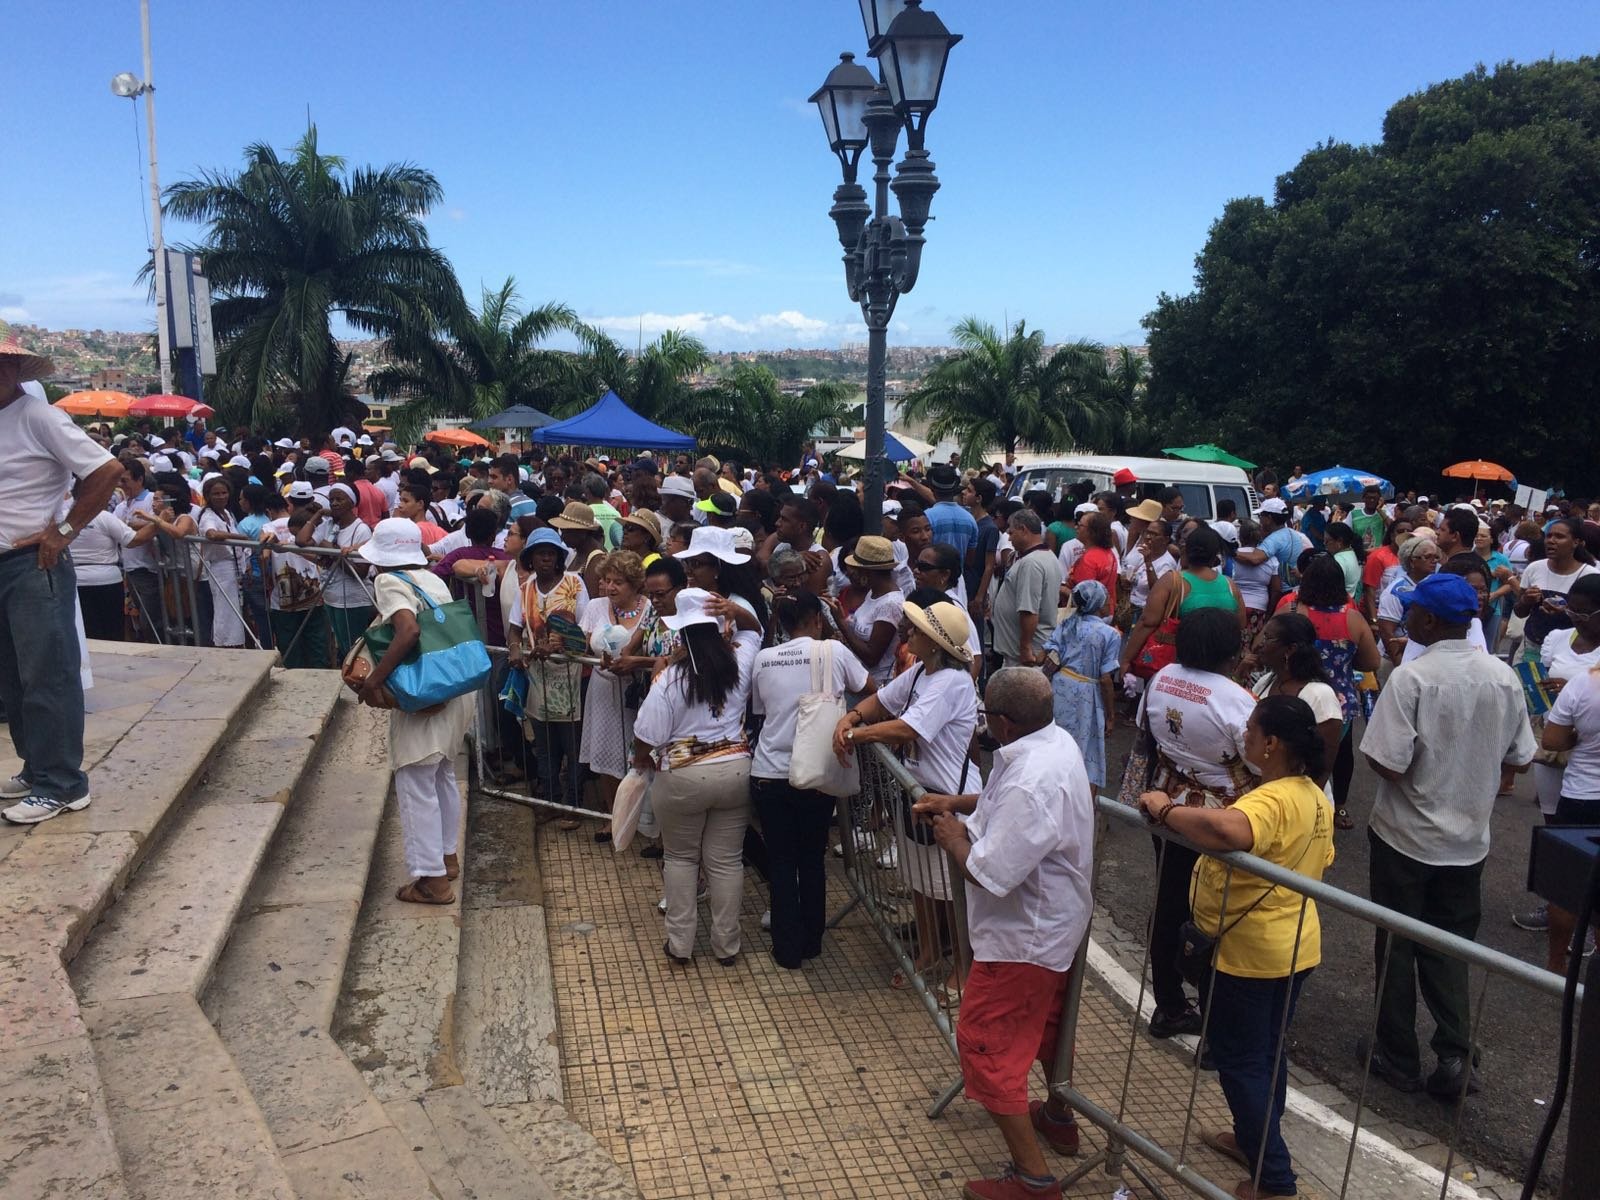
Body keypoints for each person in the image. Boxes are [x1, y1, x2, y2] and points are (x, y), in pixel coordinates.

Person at [1138, 695, 1334, 1200]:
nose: (1242, 738)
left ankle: (1274, 1181)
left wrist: (1167, 809)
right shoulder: (1314, 794)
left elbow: (1227, 829)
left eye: (1249, 732)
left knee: (1240, 1059)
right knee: (1267, 1051)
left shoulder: (1271, 800)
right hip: (1294, 947)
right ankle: (1256, 1142)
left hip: (1250, 956)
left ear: (1270, 744)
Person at [911, 669, 1094, 1200]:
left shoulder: (1033, 776)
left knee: (985, 1043)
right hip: (1049, 926)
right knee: (1048, 1028)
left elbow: (989, 871)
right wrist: (959, 805)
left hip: (1024, 937)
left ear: (1005, 723)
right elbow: (1000, 805)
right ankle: (1057, 1117)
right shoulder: (1050, 743)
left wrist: (950, 836)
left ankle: (1034, 1178)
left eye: (986, 714)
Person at [1360, 574, 1536, 1098]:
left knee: (1396, 943)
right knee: (1451, 946)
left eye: (1413, 611)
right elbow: (1520, 757)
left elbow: (1387, 763)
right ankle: (1457, 1056)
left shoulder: (1412, 678)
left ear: (1430, 621)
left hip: (1405, 837)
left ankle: (1397, 1055)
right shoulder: (1502, 677)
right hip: (1467, 842)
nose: (1408, 617)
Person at [0, 332, 123, 824]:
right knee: (13, 677)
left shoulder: (40, 417)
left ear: (16, 372)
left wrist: (64, 531)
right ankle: (38, 769)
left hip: (33, 564)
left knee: (48, 673)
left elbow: (107, 470)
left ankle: (65, 784)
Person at [833, 600, 978, 994]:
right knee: (920, 881)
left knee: (951, 889)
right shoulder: (920, 673)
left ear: (934, 642)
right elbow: (880, 701)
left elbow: (908, 729)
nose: (907, 633)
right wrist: (853, 717)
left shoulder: (952, 681)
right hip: (916, 791)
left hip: (947, 794)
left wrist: (854, 735)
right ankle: (931, 948)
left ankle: (963, 966)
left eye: (915, 630)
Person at [1135, 607, 1259, 1040]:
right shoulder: (1235, 700)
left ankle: (1169, 1005)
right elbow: (1260, 759)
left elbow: (1146, 740)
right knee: (1216, 916)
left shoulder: (1161, 678)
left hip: (1167, 804)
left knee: (1170, 902)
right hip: (1219, 818)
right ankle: (1213, 1022)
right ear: (1232, 646)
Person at [348, 519, 475, 904]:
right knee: (440, 776)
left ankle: (431, 881)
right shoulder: (430, 578)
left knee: (415, 779)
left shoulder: (388, 581)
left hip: (426, 689)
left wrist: (375, 680)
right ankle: (446, 857)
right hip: (454, 685)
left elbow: (408, 631)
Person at [632, 588, 761, 966]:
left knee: (681, 859)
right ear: (718, 628)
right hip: (737, 771)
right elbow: (754, 632)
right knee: (726, 861)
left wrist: (643, 761)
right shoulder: (740, 662)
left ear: (681, 635)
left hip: (683, 778)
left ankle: (681, 945)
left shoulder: (671, 680)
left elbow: (647, 736)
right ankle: (727, 946)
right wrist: (737, 610)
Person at [750, 590, 871, 969]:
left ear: (783, 625)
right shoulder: (833, 651)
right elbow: (870, 692)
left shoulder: (763, 658)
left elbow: (760, 710)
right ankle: (812, 941)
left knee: (781, 860)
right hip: (817, 771)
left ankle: (786, 949)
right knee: (812, 858)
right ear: (817, 619)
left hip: (769, 771)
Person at [507, 527, 590, 814]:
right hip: (538, 677)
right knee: (543, 743)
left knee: (572, 744)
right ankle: (550, 800)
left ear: (558, 557)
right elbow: (515, 628)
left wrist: (558, 645)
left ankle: (573, 803)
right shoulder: (526, 587)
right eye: (539, 553)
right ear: (530, 558)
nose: (545, 559)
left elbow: (584, 630)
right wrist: (516, 648)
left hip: (570, 677)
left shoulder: (574, 583)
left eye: (550, 553)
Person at [578, 550, 649, 841]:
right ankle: (612, 816)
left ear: (634, 585)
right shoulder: (595, 606)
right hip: (603, 689)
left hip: (639, 693)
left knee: (641, 755)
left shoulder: (649, 609)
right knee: (606, 754)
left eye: (618, 582)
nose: (610, 587)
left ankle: (644, 820)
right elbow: (582, 645)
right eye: (607, 580)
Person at [1540, 653, 1600, 971]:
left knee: (1566, 887)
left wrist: (1577, 738)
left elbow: (1553, 739)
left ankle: (1555, 964)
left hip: (1582, 797)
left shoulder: (1583, 684)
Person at [1122, 526, 1245, 675]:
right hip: (1218, 668)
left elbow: (1147, 622)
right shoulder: (1230, 585)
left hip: (1179, 666)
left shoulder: (1172, 581)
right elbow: (1240, 626)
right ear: (1215, 555)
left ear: (1185, 549)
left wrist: (1127, 659)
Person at [1251, 613, 1344, 803]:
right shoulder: (1265, 683)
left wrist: (1301, 809)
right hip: (1263, 796)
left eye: (1268, 638)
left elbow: (1323, 767)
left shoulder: (1320, 696)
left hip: (1299, 802)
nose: (1260, 644)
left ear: (1290, 649)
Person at [1043, 580, 1120, 789]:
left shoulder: (1066, 624)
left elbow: (1050, 653)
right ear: (1098, 604)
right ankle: (1077, 791)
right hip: (1086, 692)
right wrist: (1110, 715)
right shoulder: (1109, 634)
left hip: (1060, 685)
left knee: (1055, 737)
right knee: (1084, 745)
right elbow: (1105, 679)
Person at [1513, 517, 1597, 665]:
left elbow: (1594, 621)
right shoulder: (1534, 568)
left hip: (1570, 652)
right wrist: (1526, 600)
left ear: (1576, 542)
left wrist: (1566, 611)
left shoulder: (1590, 575)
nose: (1551, 541)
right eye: (1549, 536)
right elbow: (1519, 612)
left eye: (1559, 537)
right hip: (1532, 647)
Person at [827, 535, 904, 685]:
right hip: (858, 678)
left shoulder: (890, 605)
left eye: (855, 569)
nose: (851, 573)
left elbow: (872, 657)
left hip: (875, 684)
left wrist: (841, 622)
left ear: (867, 572)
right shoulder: (873, 592)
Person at [991, 510, 1063, 669]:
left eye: (1011, 532)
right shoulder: (1046, 556)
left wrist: (1025, 647)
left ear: (1023, 530)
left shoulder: (1032, 563)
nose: (1009, 538)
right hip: (1025, 652)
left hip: (1025, 656)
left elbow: (1029, 610)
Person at [195, 476, 248, 647]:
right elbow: (211, 534)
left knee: (235, 607)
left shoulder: (227, 513)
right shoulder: (207, 516)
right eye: (216, 494)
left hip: (235, 566)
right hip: (221, 567)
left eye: (224, 493)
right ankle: (225, 643)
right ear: (208, 496)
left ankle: (236, 642)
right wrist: (238, 538)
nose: (221, 497)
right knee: (225, 609)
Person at [1375, 536, 1441, 665]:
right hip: (1396, 659)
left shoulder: (1434, 584)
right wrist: (1400, 666)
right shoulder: (1395, 591)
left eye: (1436, 557)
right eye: (1428, 557)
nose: (1434, 561)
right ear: (1412, 561)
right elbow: (1387, 631)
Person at [1233, 520, 1282, 645]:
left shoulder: (1232, 556)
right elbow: (1276, 590)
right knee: (1255, 646)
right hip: (1259, 608)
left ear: (1240, 537)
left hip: (1234, 606)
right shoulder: (1271, 559)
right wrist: (1269, 614)